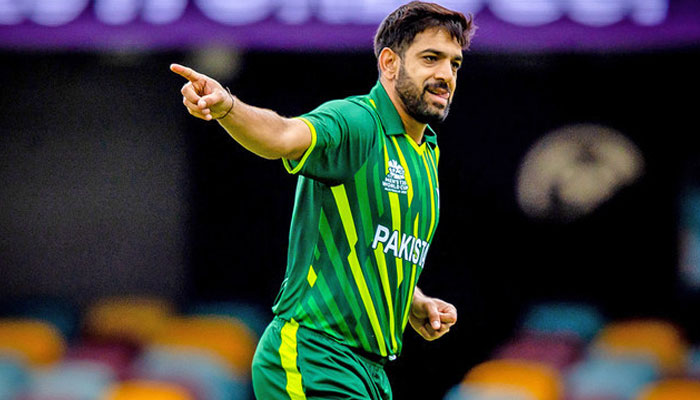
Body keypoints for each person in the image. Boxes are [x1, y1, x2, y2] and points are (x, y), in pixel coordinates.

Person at [171, 2, 475, 399]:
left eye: (454, 64)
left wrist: (413, 301)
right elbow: (281, 136)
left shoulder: (425, 151)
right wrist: (227, 106)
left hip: (368, 370)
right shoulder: (357, 121)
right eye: (431, 58)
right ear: (389, 63)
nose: (445, 75)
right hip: (314, 356)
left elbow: (372, 245)